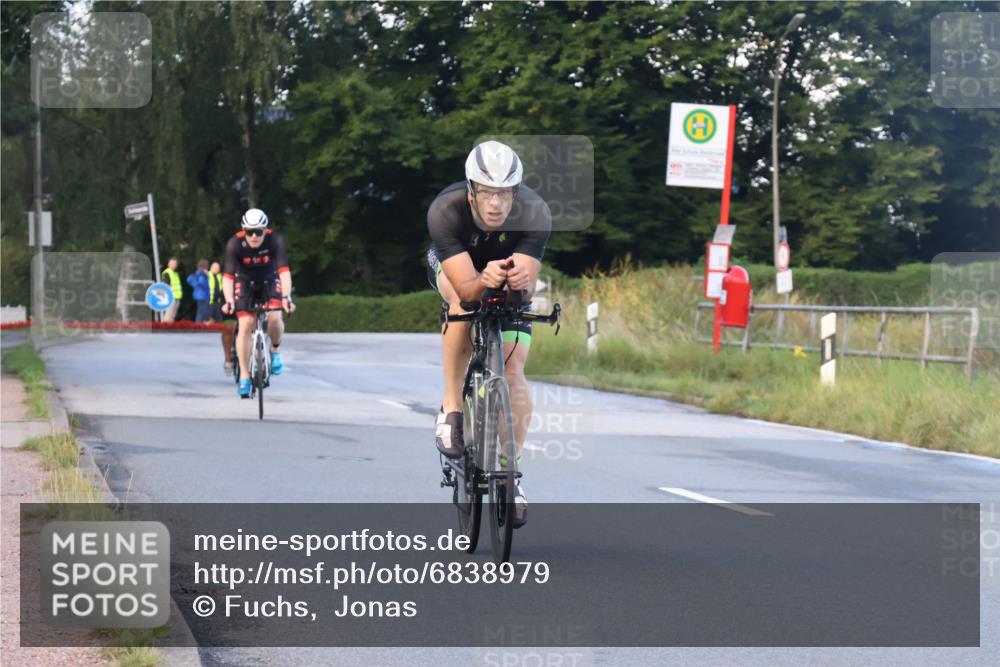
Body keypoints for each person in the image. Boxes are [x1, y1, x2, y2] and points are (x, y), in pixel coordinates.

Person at [426, 140, 551, 528]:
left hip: (504, 273)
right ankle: (451, 408)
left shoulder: (535, 212)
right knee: (462, 305)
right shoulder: (445, 210)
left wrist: (520, 284)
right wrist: (483, 280)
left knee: (513, 372)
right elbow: (467, 290)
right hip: (457, 269)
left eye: (505, 193)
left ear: (516, 192)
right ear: (471, 190)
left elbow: (524, 292)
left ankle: (511, 473)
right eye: (486, 192)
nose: (495, 203)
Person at [221, 208, 295, 398]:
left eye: (258, 232)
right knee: (246, 324)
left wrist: (286, 298)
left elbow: (284, 272)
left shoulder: (275, 240)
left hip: (269, 280)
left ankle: (275, 350)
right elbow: (228, 276)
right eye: (249, 232)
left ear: (265, 230)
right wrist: (229, 300)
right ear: (243, 230)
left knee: (275, 318)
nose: (254, 236)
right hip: (244, 282)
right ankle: (245, 376)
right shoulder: (234, 243)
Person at [160, 257, 183, 323]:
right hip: (170, 297)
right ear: (168, 264)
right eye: (172, 263)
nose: (173, 265)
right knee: (168, 316)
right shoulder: (167, 273)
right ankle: (164, 328)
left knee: (172, 316)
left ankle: (169, 328)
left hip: (177, 297)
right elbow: (165, 286)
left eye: (175, 263)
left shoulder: (175, 274)